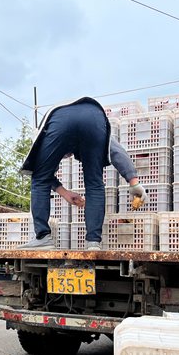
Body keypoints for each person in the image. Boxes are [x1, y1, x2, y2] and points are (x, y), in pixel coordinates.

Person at [19, 96, 147, 251]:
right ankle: (93, 243)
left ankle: (42, 237)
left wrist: (59, 189)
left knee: (39, 179)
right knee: (94, 184)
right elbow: (116, 151)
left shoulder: (45, 131)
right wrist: (134, 183)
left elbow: (41, 174)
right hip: (94, 117)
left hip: (61, 121)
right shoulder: (89, 117)